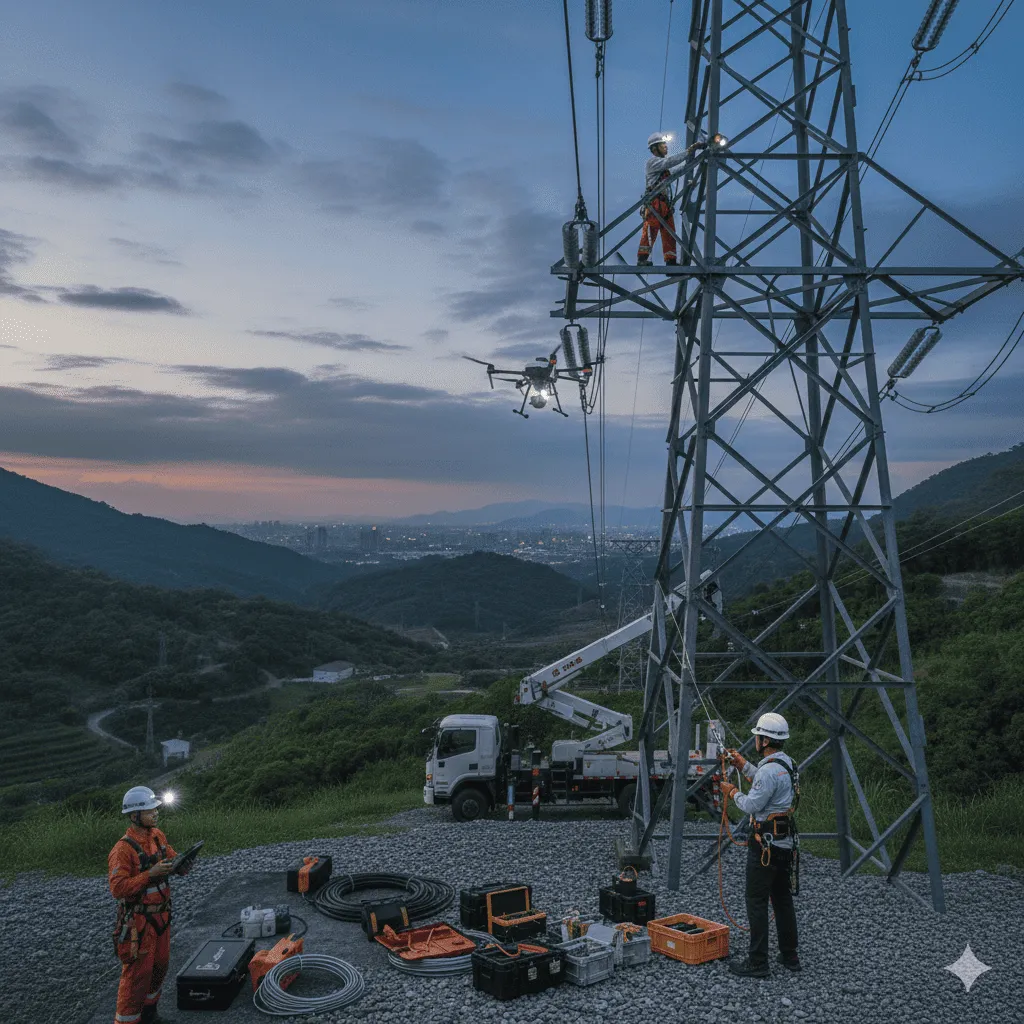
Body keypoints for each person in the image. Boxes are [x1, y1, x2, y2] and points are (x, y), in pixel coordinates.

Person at [720, 712, 800, 978]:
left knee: (756, 901)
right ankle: (790, 956)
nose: (756, 740)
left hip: (764, 846)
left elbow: (752, 804)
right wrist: (743, 765)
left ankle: (758, 962)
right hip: (784, 844)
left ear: (765, 741)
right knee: (782, 899)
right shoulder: (788, 764)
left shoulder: (768, 771)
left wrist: (732, 792)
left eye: (758, 737)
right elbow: (767, 783)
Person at [109, 786, 189, 1024]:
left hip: (161, 917)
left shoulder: (157, 836)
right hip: (139, 923)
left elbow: (171, 857)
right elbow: (118, 888)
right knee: (137, 975)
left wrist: (181, 865)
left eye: (155, 809)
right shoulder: (122, 850)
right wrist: (149, 875)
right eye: (149, 810)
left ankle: (150, 1016)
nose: (155, 813)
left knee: (160, 966)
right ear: (134, 815)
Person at [637, 131, 704, 267]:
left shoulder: (664, 168)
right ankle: (642, 259)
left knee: (669, 233)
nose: (666, 147)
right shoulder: (652, 162)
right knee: (651, 229)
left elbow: (678, 170)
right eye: (662, 145)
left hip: (664, 204)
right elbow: (670, 162)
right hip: (654, 203)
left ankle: (671, 261)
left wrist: (696, 161)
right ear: (655, 149)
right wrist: (689, 152)